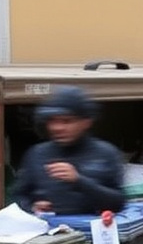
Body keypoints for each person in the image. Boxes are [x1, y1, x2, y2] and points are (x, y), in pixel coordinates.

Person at [13, 86, 126, 215]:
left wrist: (78, 180)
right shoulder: (36, 154)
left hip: (90, 230)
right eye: (52, 121)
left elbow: (118, 203)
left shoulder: (105, 153)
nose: (57, 127)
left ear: (86, 122)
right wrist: (31, 207)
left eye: (66, 121)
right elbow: (18, 197)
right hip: (49, 231)